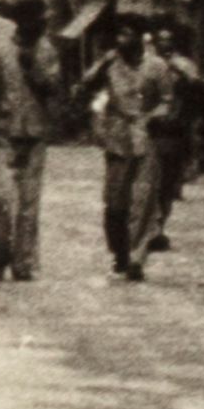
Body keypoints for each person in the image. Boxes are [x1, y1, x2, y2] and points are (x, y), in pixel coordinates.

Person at [76, 21, 175, 281]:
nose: (121, 39)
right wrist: (102, 64)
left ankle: (136, 258)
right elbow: (85, 85)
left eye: (126, 33)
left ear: (140, 38)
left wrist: (156, 117)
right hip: (118, 137)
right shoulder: (111, 64)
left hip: (146, 136)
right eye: (118, 34)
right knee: (115, 202)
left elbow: (167, 101)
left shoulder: (157, 66)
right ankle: (119, 251)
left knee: (142, 199)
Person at [0, 0, 58, 282]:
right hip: (3, 135)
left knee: (29, 205)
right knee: (0, 201)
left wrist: (32, 68)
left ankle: (23, 262)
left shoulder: (47, 50)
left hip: (35, 135)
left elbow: (52, 88)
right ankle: (0, 256)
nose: (44, 23)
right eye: (39, 19)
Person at [149, 23, 204, 247]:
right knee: (148, 181)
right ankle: (149, 227)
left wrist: (180, 72)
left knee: (166, 183)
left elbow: (199, 88)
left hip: (174, 130)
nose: (164, 42)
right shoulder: (147, 64)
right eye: (161, 38)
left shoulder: (184, 65)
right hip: (151, 129)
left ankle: (159, 226)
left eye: (168, 38)